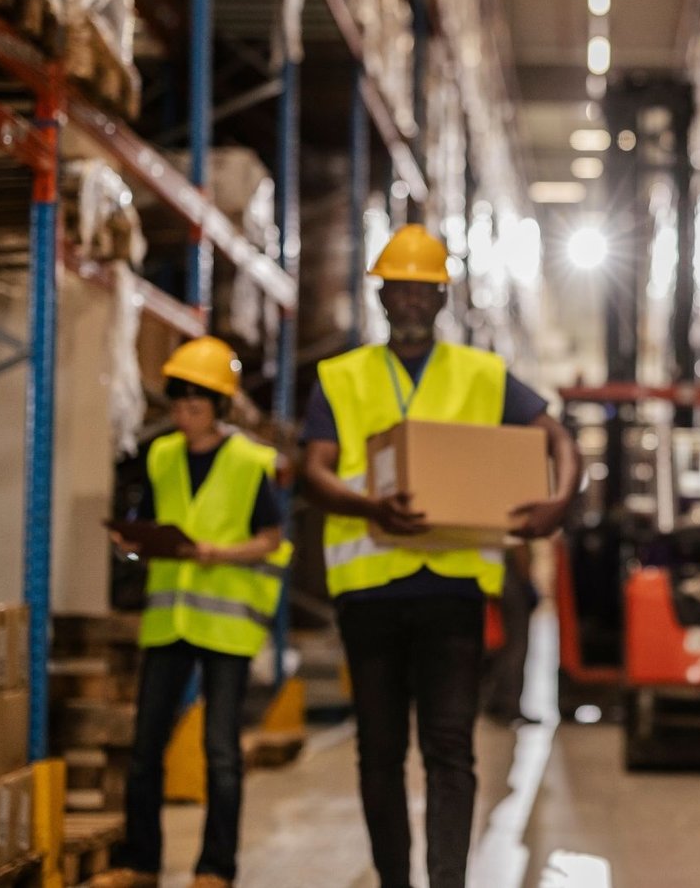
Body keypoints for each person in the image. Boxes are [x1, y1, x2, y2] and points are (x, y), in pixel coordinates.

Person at [300, 224, 580, 888]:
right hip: (369, 591)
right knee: (380, 753)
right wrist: (370, 507)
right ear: (382, 294)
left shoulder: (482, 374)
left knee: (450, 749)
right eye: (400, 288)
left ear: (443, 298)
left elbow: (556, 436)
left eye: (426, 290)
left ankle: (448, 882)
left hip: (451, 588)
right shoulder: (342, 378)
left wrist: (558, 500)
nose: (412, 301)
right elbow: (311, 470)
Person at [96, 337, 290, 888]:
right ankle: (141, 862)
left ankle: (215, 868)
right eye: (177, 404)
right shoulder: (160, 456)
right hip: (169, 620)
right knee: (145, 746)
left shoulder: (250, 460)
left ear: (221, 407)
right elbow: (154, 525)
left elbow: (271, 539)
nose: (183, 414)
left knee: (221, 753)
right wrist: (132, 544)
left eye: (195, 405)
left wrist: (216, 553)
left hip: (225, 625)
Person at [482, 541, 540, 727]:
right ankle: (508, 705)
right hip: (511, 582)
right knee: (516, 646)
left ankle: (495, 702)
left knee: (501, 646)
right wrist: (527, 583)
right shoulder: (514, 517)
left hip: (495, 578)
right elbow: (519, 544)